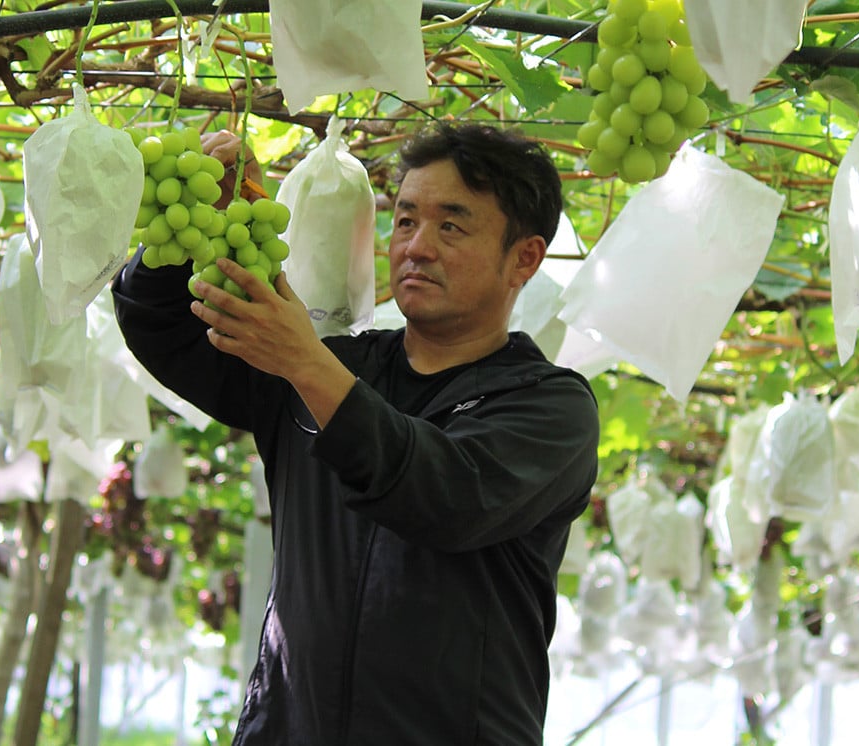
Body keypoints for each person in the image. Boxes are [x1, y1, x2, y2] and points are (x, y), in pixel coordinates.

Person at [112, 121, 600, 745]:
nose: (416, 247)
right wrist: (189, 236)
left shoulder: (548, 407)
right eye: (404, 221)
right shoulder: (337, 364)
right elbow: (168, 334)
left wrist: (306, 363)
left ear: (524, 258)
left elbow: (443, 494)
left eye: (451, 225)